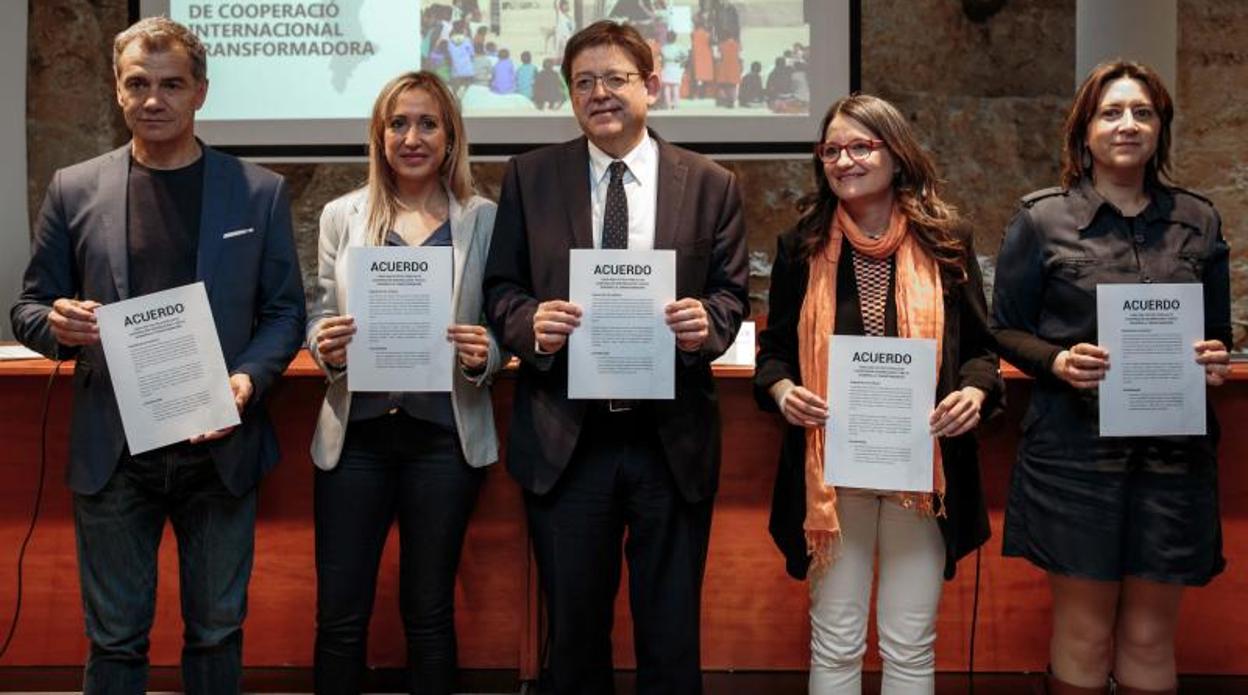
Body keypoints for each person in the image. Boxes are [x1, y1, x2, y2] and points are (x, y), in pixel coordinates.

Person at [9, 17, 304, 694]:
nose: (153, 99)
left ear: (200, 91)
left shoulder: (258, 191)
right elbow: (29, 307)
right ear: (117, 90)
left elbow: (285, 310)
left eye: (171, 84)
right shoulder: (74, 187)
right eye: (137, 83)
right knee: (114, 640)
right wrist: (59, 324)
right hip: (114, 451)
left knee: (217, 631)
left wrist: (244, 381)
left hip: (218, 444)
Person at [483, 20, 748, 694]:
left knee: (670, 635)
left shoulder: (712, 183)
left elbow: (731, 293)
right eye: (584, 82)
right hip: (567, 437)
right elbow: (501, 289)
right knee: (572, 639)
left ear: (651, 85)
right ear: (570, 95)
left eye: (616, 78)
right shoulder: (530, 177)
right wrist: (531, 323)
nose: (600, 93)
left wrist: (705, 324)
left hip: (671, 440)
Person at [991, 60, 1231, 695]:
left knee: (1152, 637)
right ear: (1084, 131)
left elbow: (1218, 334)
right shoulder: (1042, 220)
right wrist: (1057, 362)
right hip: (1074, 456)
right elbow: (1004, 328)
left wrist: (1215, 358)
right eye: (1111, 112)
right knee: (1085, 634)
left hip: (1174, 456)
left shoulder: (1198, 221)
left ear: (1161, 129)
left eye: (1143, 112)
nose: (1128, 124)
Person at [755, 94, 1001, 694]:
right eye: (832, 149)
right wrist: (785, 391)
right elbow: (774, 356)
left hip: (922, 474)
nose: (844, 160)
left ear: (896, 153)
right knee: (836, 640)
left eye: (860, 146)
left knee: (910, 642)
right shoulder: (802, 246)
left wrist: (973, 393)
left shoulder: (947, 242)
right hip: (833, 476)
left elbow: (982, 354)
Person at [306, 71, 503, 695]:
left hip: (444, 441)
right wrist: (324, 343)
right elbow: (318, 311)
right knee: (340, 616)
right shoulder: (342, 215)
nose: (412, 137)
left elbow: (504, 321)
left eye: (427, 123)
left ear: (450, 136)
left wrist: (487, 353)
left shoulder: (484, 219)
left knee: (429, 613)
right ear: (379, 134)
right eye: (398, 123)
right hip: (354, 440)